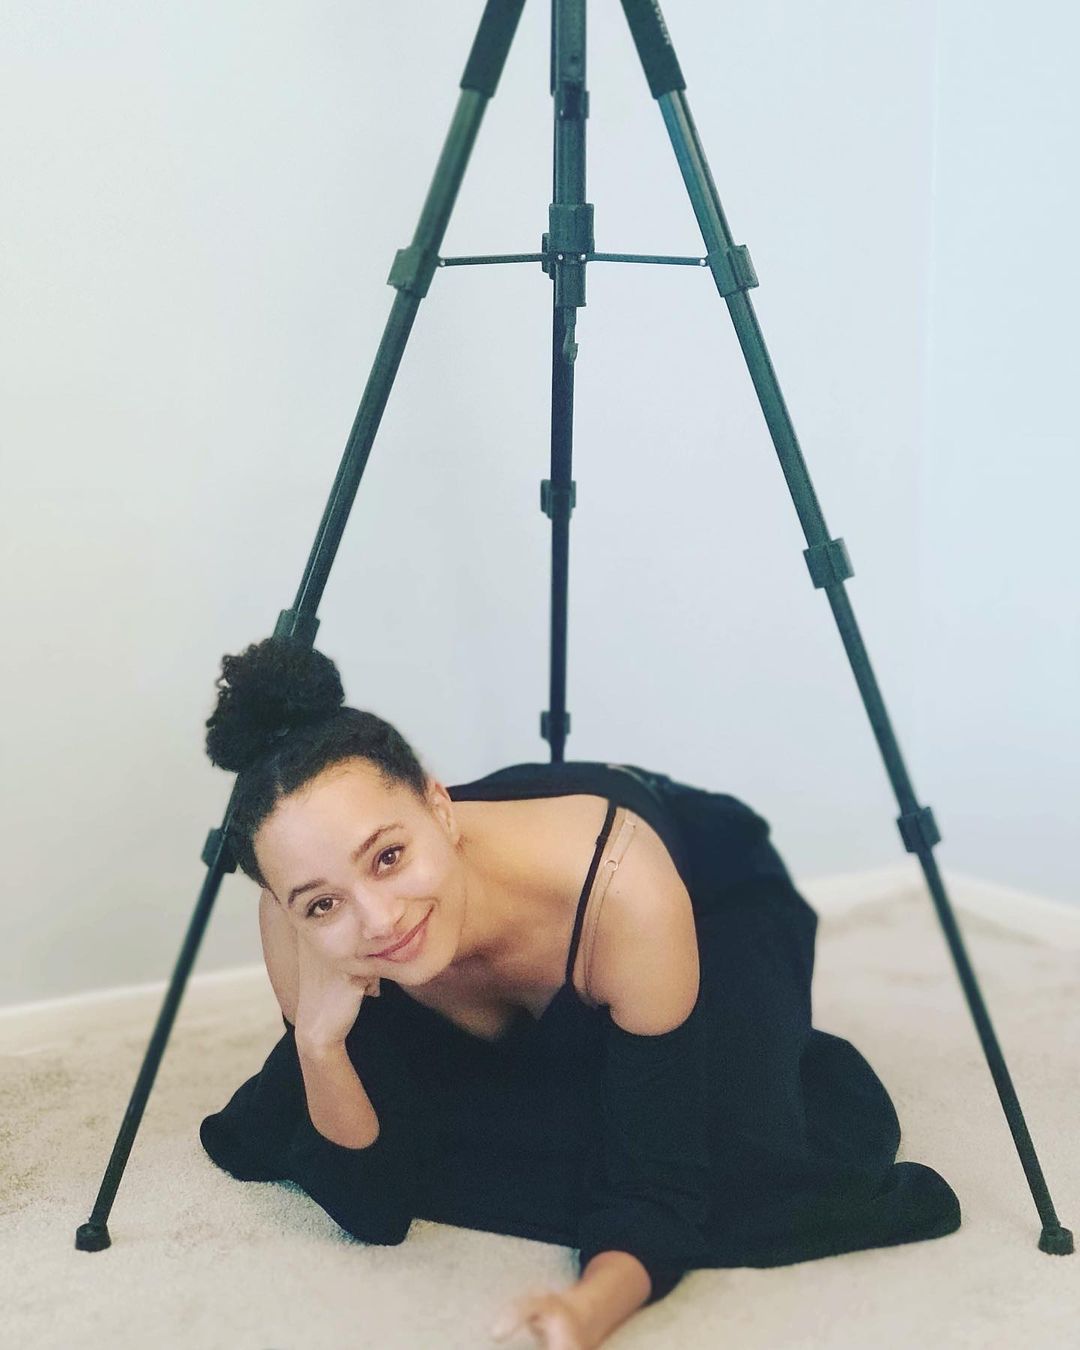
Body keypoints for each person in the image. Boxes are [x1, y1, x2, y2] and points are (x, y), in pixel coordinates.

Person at [198, 637, 962, 1349]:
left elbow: (658, 1186)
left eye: (389, 856)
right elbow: (370, 1206)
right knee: (386, 1119)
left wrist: (585, 1312)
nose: (378, 918)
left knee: (744, 1157)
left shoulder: (625, 894)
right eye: (320, 904)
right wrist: (317, 1044)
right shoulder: (298, 922)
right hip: (519, 892)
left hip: (703, 887)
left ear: (437, 806)